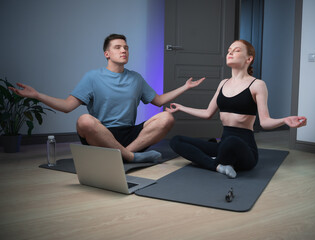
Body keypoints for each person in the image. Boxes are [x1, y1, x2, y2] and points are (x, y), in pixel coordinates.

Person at [9, 34, 205, 163]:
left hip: (129, 135)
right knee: (83, 120)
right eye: (118, 47)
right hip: (101, 136)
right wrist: (37, 95)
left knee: (167, 118)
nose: (124, 50)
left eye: (126, 47)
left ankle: (123, 155)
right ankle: (130, 157)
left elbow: (159, 101)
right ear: (107, 53)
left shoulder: (136, 78)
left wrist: (185, 86)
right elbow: (68, 106)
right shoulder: (92, 77)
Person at [166, 39, 307, 178]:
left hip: (244, 149)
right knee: (176, 140)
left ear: (249, 59)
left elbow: (264, 122)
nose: (230, 53)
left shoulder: (257, 85)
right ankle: (217, 166)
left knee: (230, 142)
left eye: (237, 50)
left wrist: (285, 120)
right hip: (223, 144)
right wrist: (181, 107)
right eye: (229, 51)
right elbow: (208, 113)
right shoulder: (223, 83)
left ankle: (217, 160)